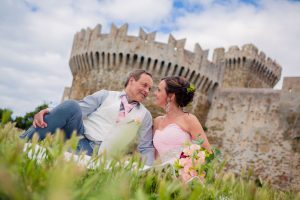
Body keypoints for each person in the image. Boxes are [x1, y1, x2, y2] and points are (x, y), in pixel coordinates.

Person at [20, 69, 155, 165]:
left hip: (103, 155)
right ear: (131, 81)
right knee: (71, 105)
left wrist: (148, 169)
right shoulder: (105, 95)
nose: (147, 91)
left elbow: (146, 147)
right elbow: (78, 108)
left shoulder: (145, 116)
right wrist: (48, 111)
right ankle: (19, 143)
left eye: (150, 88)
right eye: (144, 85)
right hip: (79, 138)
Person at [153, 76, 211, 163]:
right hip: (160, 174)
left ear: (171, 96)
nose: (155, 93)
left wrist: (188, 170)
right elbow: (155, 155)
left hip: (181, 175)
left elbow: (208, 153)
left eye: (159, 90)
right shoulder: (157, 121)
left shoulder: (189, 119)